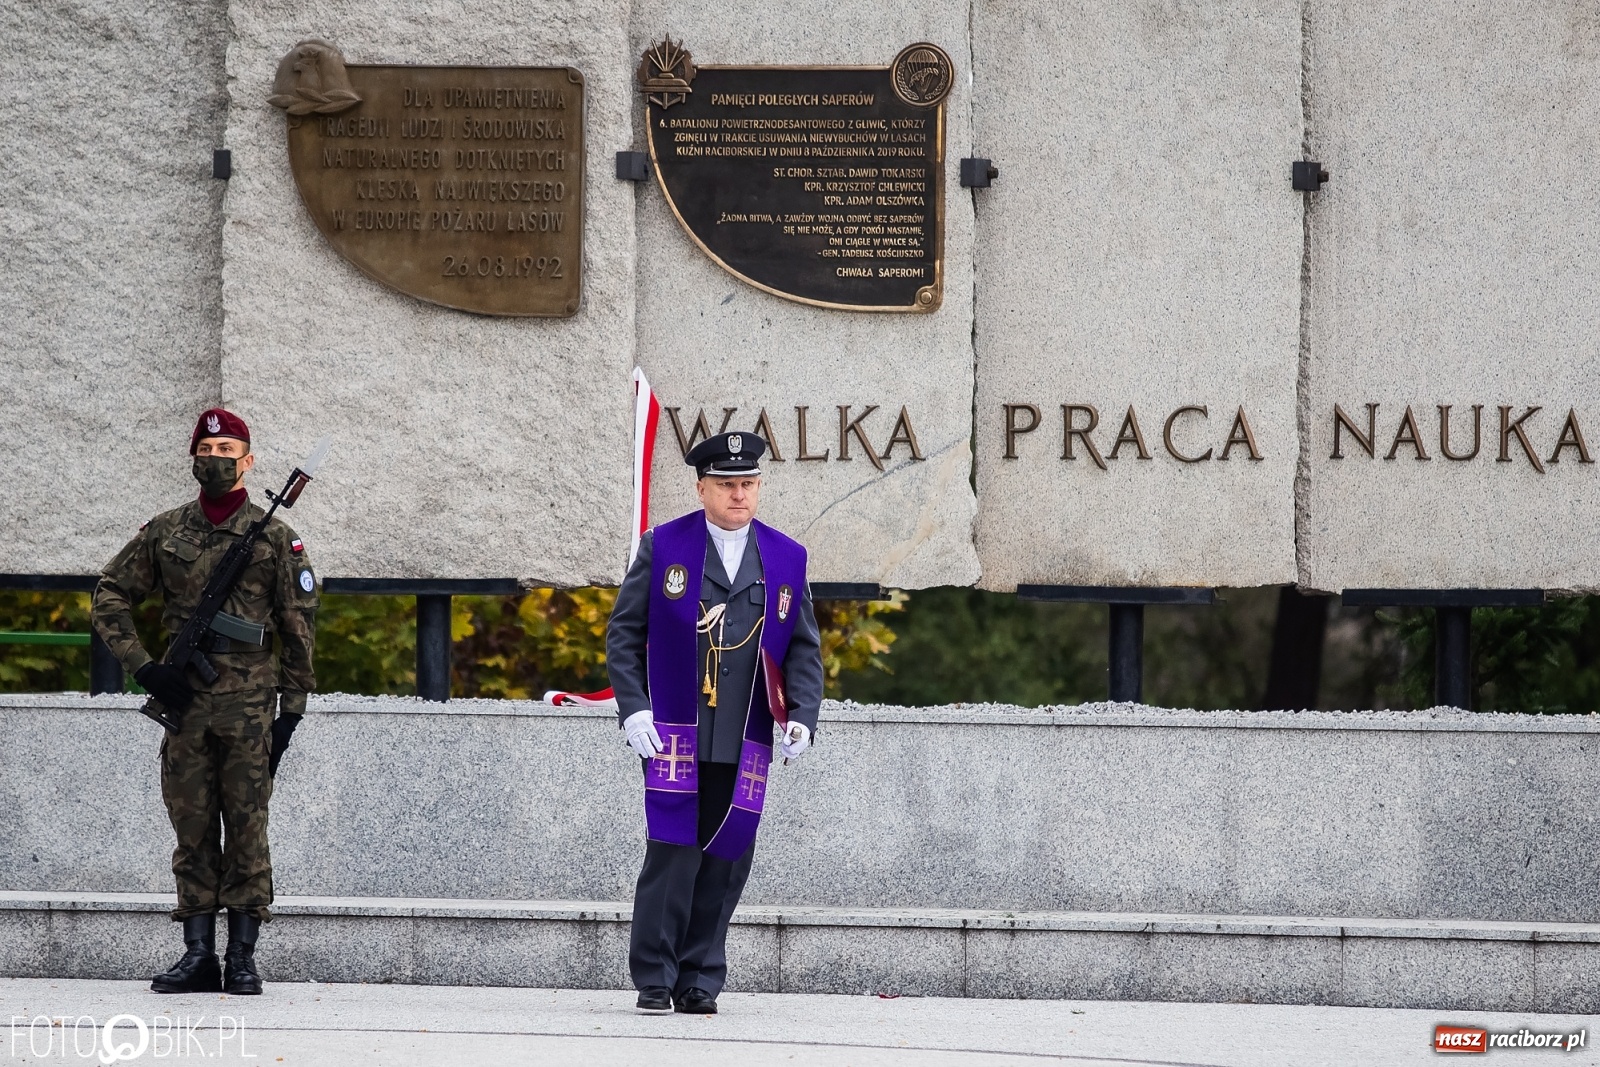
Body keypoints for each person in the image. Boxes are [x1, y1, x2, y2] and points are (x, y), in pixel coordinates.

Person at [91, 408, 318, 996]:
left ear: (248, 461)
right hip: (185, 703)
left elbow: (298, 627)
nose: (216, 456)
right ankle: (197, 956)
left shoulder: (273, 537)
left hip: (248, 709)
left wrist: (290, 711)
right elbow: (110, 594)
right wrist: (143, 666)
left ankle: (241, 958)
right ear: (194, 456)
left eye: (228, 447)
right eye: (207, 445)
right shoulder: (166, 531)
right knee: (191, 827)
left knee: (247, 828)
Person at [606, 431, 824, 1015]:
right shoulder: (663, 547)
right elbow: (624, 636)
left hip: (745, 731)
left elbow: (802, 647)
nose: (739, 495)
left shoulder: (785, 557)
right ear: (702, 488)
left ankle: (700, 978)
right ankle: (655, 976)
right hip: (674, 726)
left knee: (728, 857)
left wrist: (803, 715)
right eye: (726, 485)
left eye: (748, 484)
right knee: (672, 851)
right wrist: (634, 708)